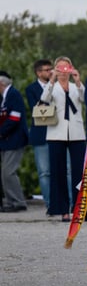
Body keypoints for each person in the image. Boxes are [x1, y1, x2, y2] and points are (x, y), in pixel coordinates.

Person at [40, 57, 86, 222]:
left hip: (76, 132)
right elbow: (44, 100)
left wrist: (78, 80)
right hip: (56, 132)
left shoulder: (75, 87)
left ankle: (81, 209)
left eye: (66, 68)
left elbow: (83, 98)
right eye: (60, 69)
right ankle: (62, 209)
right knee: (58, 172)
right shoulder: (51, 87)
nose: (63, 72)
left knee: (79, 172)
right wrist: (52, 80)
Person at [25, 60, 53, 212]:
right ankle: (49, 203)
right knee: (44, 172)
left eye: (51, 69)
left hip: (57, 132)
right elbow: (37, 109)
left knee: (62, 170)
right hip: (40, 134)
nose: (50, 72)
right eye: (46, 70)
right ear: (38, 72)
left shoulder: (58, 87)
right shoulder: (31, 89)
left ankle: (65, 203)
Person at [0, 71, 29, 212]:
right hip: (6, 140)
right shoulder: (4, 97)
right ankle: (11, 202)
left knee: (9, 171)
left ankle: (18, 202)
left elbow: (14, 118)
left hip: (14, 139)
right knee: (5, 172)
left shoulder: (13, 95)